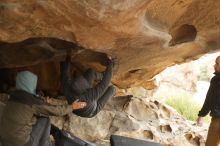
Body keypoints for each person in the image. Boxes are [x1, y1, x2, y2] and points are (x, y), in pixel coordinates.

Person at [0, 71, 86, 146]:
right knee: (45, 120)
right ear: (31, 84)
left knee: (33, 119)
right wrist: (72, 107)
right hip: (22, 144)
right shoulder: (31, 101)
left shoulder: (12, 97)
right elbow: (55, 111)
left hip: (5, 142)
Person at [60, 51, 116, 118]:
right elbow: (104, 83)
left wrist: (68, 55)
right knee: (112, 89)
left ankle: (102, 75)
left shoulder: (67, 87)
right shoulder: (88, 97)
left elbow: (64, 73)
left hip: (77, 105)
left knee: (91, 72)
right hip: (92, 111)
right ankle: (111, 89)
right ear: (86, 90)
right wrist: (110, 63)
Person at [196, 56, 220, 146]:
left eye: (217, 64)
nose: (214, 66)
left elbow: (209, 99)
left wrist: (201, 115)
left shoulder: (216, 80)